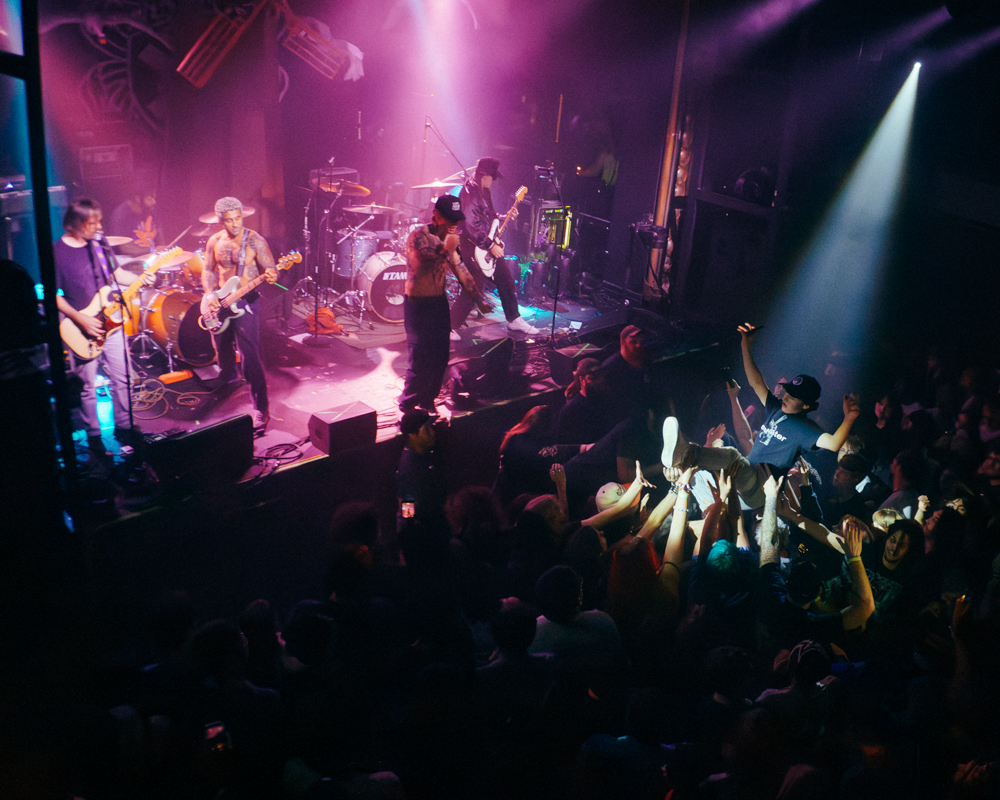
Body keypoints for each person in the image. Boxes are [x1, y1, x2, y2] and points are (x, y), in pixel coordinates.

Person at [661, 322, 862, 508]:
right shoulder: (775, 407)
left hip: (761, 491)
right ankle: (682, 457)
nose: (785, 396)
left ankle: (684, 454)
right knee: (708, 469)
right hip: (745, 476)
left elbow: (834, 444)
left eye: (792, 397)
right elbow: (756, 381)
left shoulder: (805, 429)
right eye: (787, 392)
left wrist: (849, 417)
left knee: (732, 456)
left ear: (807, 405)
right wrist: (745, 345)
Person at [54, 198, 156, 461]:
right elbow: (54, 295)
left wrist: (141, 279)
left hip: (112, 322)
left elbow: (116, 275)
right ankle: (94, 436)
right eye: (93, 222)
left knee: (122, 378)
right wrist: (81, 319)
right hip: (81, 327)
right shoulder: (58, 252)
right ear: (76, 224)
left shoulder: (99, 244)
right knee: (87, 387)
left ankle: (125, 427)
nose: (99, 226)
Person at [399, 194, 488, 414]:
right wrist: (446, 249)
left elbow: (461, 270)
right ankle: (408, 401)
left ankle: (428, 399)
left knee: (440, 355)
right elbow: (419, 263)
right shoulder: (418, 235)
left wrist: (478, 298)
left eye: (456, 220)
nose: (454, 226)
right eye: (450, 220)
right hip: (417, 305)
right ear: (436, 216)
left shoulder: (451, 242)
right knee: (419, 355)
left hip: (438, 303)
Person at [200, 197, 277, 434]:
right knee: (221, 346)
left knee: (250, 356)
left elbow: (270, 268)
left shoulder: (254, 240)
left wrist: (273, 274)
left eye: (238, 218)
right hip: (221, 302)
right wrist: (210, 294)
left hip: (247, 303)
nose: (235, 224)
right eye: (229, 220)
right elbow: (207, 270)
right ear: (220, 220)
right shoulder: (214, 240)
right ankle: (228, 378)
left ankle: (261, 408)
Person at [451, 157, 540, 338]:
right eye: (492, 178)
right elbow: (470, 225)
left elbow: (488, 215)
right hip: (470, 245)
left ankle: (514, 319)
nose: (494, 181)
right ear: (484, 175)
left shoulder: (484, 191)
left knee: (506, 280)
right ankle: (450, 326)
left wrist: (503, 216)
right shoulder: (469, 192)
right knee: (475, 285)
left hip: (484, 243)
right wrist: (490, 245)